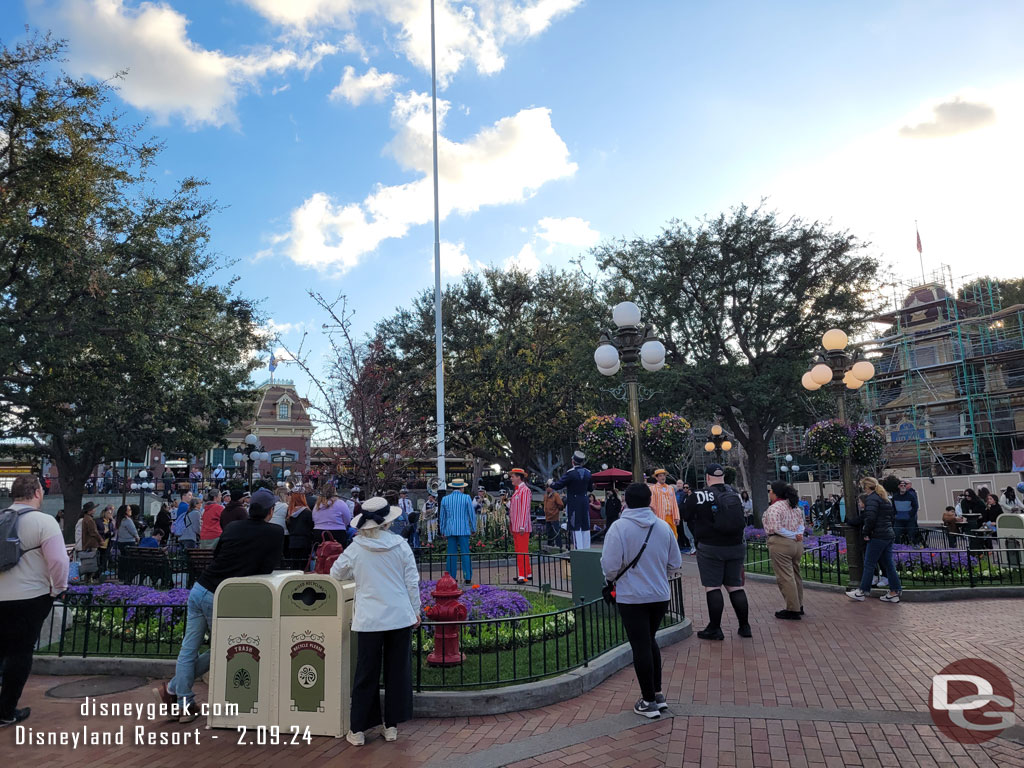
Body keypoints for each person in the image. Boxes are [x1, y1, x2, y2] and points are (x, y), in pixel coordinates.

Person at [153, 488, 283, 722]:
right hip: (223, 597)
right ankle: (177, 694)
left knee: (188, 648)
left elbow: (218, 554)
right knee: (225, 647)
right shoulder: (274, 533)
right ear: (270, 511)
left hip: (200, 589)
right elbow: (267, 568)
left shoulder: (233, 527)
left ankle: (178, 695)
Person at [330, 497, 419, 746]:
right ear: (387, 521)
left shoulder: (356, 548)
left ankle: (358, 729)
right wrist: (415, 610)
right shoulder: (400, 545)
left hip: (369, 618)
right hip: (399, 615)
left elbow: (336, 574)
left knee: (366, 673)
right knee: (396, 672)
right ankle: (391, 726)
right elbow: (412, 581)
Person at [600, 483, 682, 719]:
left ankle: (648, 701)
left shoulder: (619, 528)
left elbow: (610, 566)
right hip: (659, 594)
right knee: (649, 641)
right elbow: (675, 563)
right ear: (650, 501)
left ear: (626, 500)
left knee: (640, 645)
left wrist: (611, 580)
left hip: (632, 596)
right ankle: (656, 694)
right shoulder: (663, 527)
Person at [0, 475, 69, 726]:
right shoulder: (44, 522)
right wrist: (59, 588)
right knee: (20, 653)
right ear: (38, 493)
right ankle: (6, 710)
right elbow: (59, 562)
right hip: (30, 597)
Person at [681, 463, 751, 640]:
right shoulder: (734, 493)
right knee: (735, 586)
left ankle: (715, 628)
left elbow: (685, 515)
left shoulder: (698, 495)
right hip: (736, 545)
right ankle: (744, 626)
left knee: (712, 587)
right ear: (724, 477)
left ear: (707, 478)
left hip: (710, 546)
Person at [846, 477, 902, 603]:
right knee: (888, 564)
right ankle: (895, 591)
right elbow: (891, 516)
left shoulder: (872, 499)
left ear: (866, 487)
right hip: (888, 534)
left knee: (869, 563)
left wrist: (866, 532)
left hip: (877, 535)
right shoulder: (884, 498)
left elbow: (870, 518)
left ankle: (862, 591)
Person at [763, 481, 805, 620]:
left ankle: (793, 608)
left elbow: (776, 528)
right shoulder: (794, 507)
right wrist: (797, 535)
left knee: (785, 577)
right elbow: (801, 525)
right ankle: (799, 604)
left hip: (781, 543)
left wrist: (791, 535)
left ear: (775, 492)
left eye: (770, 491)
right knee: (795, 574)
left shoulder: (775, 508)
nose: (769, 493)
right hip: (797, 544)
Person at [551, 451, 594, 550]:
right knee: (585, 527)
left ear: (573, 461)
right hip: (584, 501)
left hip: (574, 502)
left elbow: (558, 485)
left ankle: (579, 552)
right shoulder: (588, 473)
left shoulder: (570, 473)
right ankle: (587, 550)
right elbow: (591, 488)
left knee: (575, 527)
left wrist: (551, 483)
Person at [440, 478, 476, 584]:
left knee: (451, 554)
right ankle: (467, 577)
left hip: (450, 529)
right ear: (461, 487)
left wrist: (442, 530)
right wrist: (473, 528)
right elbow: (471, 514)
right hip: (463, 529)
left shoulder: (445, 499)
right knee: (465, 553)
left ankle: (451, 577)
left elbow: (442, 517)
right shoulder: (466, 498)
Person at [509, 469, 533, 584]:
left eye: (513, 476)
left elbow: (525, 508)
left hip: (521, 526)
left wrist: (522, 525)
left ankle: (522, 575)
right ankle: (527, 572)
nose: (511, 478)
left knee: (521, 551)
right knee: (521, 550)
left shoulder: (525, 490)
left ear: (519, 477)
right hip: (516, 525)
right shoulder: (518, 491)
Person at [312, 485, 353, 549]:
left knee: (321, 555)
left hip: (319, 532)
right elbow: (347, 519)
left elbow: (314, 518)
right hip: (338, 533)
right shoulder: (341, 503)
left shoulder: (317, 505)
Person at [285, 490, 315, 564]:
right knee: (304, 565)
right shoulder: (307, 512)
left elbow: (288, 526)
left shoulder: (289, 512)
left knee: (294, 564)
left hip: (292, 541)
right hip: (305, 541)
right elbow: (311, 526)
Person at [891, 479, 919, 546]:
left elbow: (915, 507)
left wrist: (909, 515)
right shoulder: (895, 496)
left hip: (909, 520)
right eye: (901, 485)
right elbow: (893, 507)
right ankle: (898, 548)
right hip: (898, 520)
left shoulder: (911, 496)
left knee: (912, 535)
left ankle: (914, 548)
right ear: (898, 486)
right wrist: (895, 515)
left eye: (904, 485)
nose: (903, 487)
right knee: (896, 535)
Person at [543, 481, 565, 548]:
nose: (548, 488)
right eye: (547, 487)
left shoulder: (556, 495)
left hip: (554, 517)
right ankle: (550, 546)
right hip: (547, 517)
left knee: (556, 533)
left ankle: (559, 546)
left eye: (549, 487)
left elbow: (561, 504)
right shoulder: (545, 496)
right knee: (549, 533)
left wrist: (556, 511)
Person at [674, 482, 694, 554]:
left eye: (687, 488)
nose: (685, 489)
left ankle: (692, 547)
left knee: (689, 533)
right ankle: (684, 546)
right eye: (684, 487)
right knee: (684, 533)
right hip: (681, 517)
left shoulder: (691, 497)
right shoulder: (679, 495)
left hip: (689, 518)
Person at [96, 505, 116, 576]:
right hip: (100, 543)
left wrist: (111, 532)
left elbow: (113, 532)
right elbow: (96, 531)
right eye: (109, 513)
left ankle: (103, 573)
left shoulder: (111, 522)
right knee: (100, 560)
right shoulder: (99, 521)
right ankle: (98, 574)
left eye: (111, 513)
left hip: (108, 543)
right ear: (105, 513)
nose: (110, 514)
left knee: (105, 559)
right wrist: (103, 532)